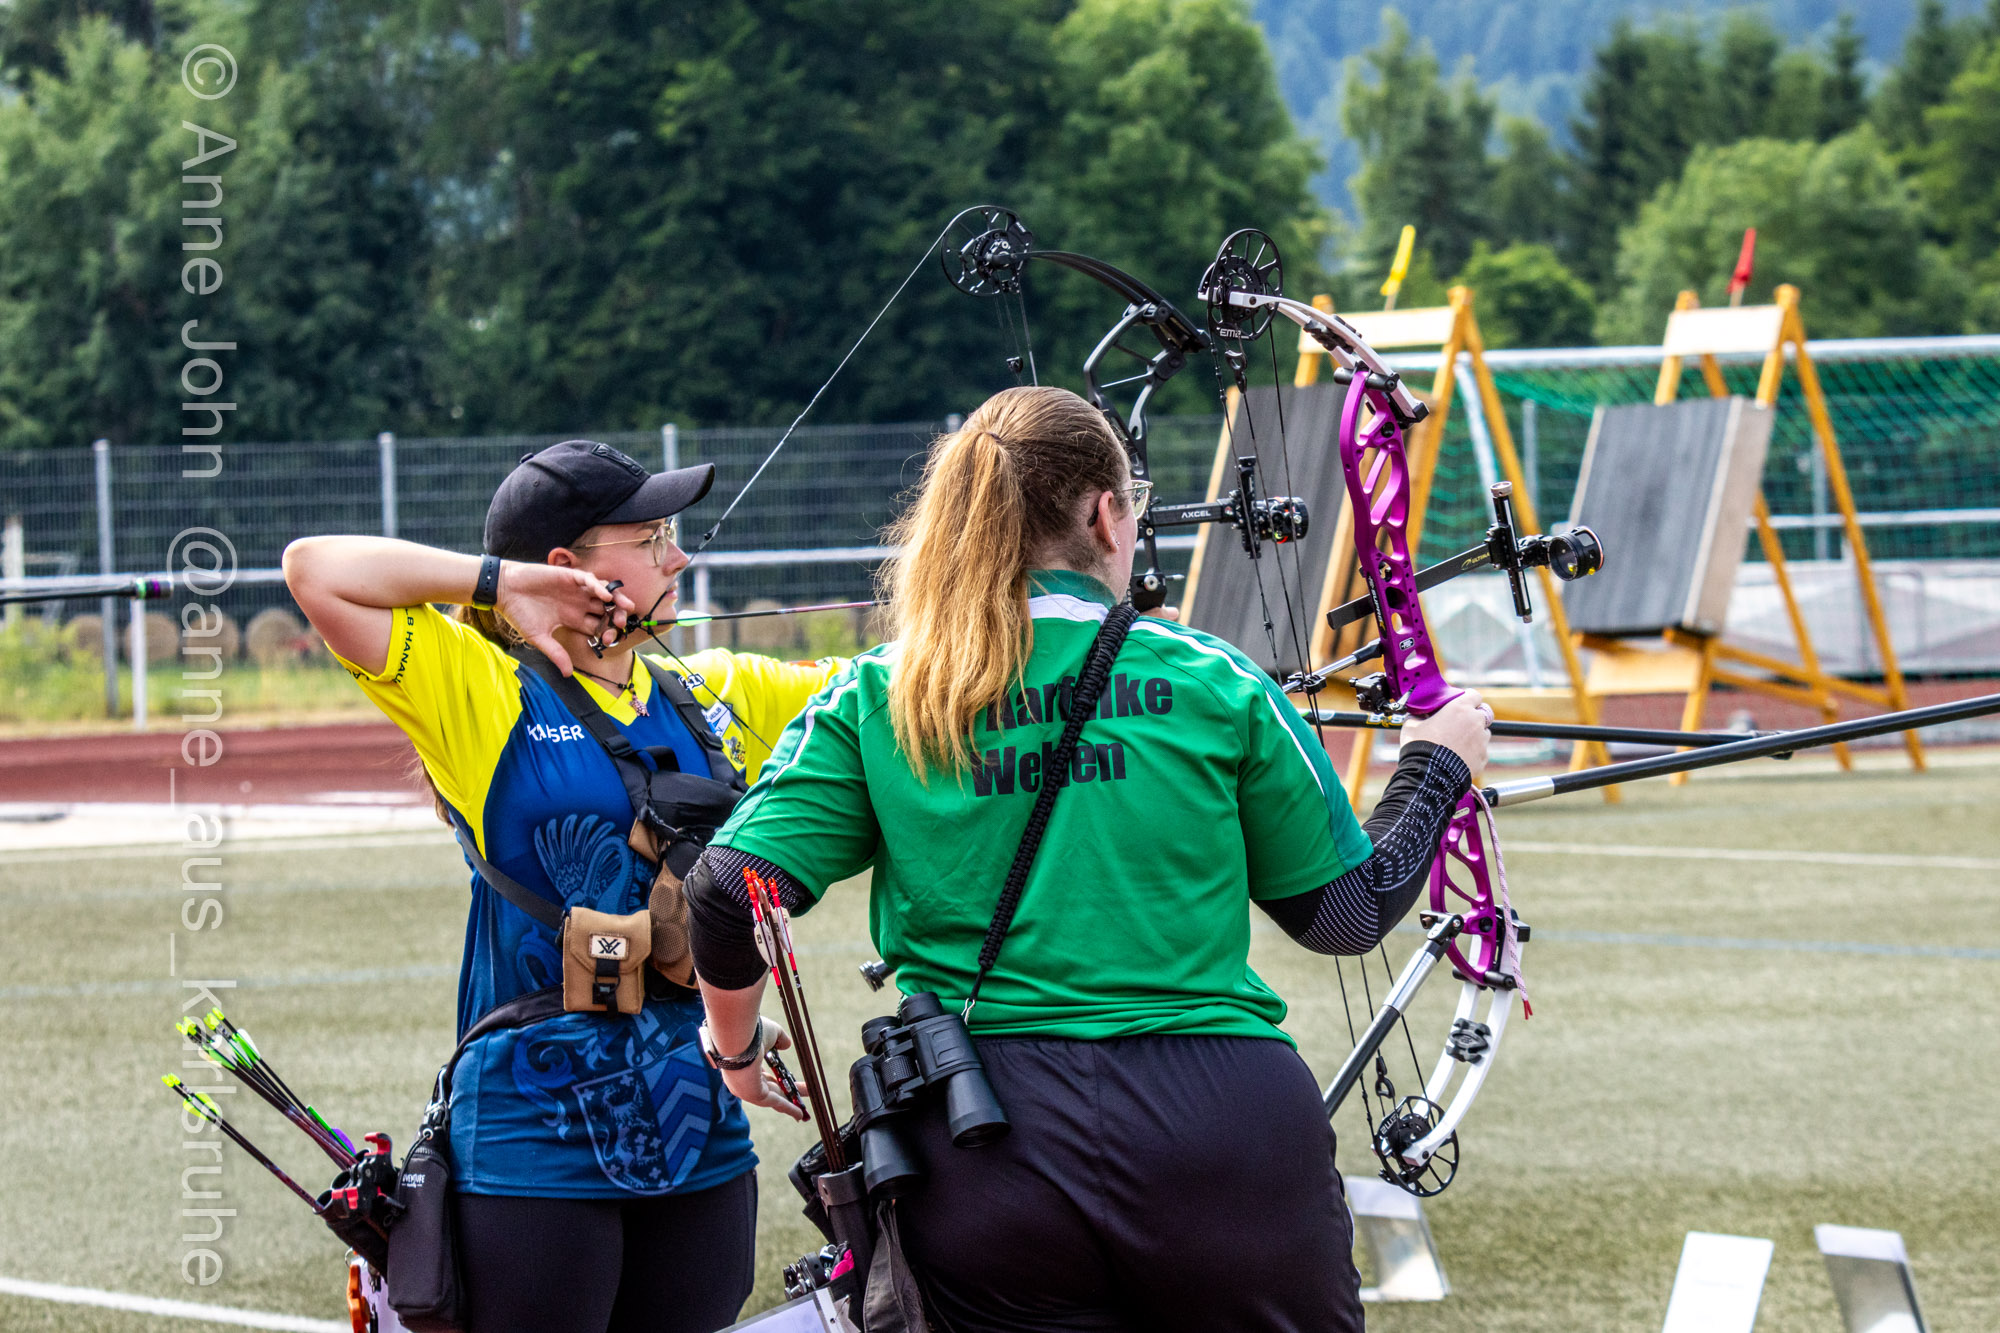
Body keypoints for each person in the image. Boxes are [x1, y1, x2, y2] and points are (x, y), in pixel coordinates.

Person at [683, 385, 1492, 1333]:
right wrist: (1436, 765)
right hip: (1223, 1128)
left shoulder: (883, 692)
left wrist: (736, 1048)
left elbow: (727, 891)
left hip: (984, 1129)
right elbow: (1347, 912)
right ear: (1106, 514)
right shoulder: (1213, 677)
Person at [283, 439, 847, 1333]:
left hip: (697, 1132)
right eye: (653, 538)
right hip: (532, 1142)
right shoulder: (483, 692)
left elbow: (903, 681)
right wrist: (499, 584)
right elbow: (315, 570)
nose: (679, 558)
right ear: (564, 567)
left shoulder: (714, 689)